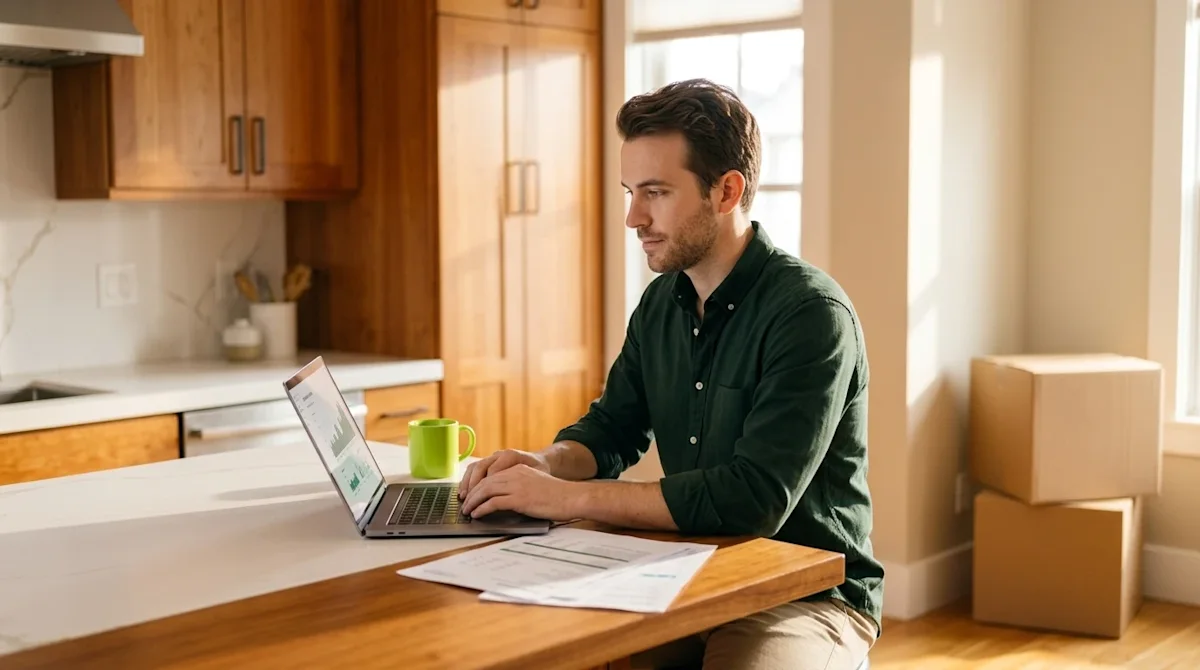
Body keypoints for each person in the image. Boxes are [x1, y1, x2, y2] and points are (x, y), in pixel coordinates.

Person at [458, 77, 883, 669]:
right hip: (681, 571)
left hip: (804, 595)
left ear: (727, 191)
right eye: (631, 191)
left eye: (655, 192)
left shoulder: (810, 315)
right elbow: (612, 430)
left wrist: (564, 498)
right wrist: (543, 464)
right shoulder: (660, 305)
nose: (633, 217)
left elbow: (751, 500)